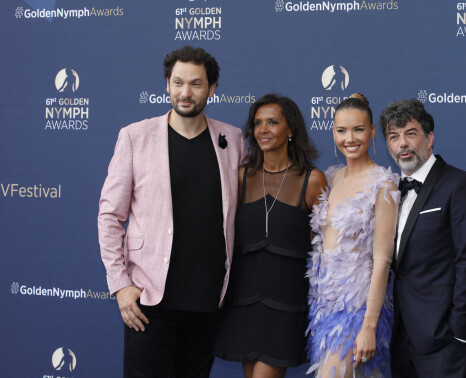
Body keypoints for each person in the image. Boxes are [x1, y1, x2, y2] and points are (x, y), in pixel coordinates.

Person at [97, 46, 247, 377]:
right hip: (150, 301)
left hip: (208, 301)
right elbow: (109, 215)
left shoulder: (233, 140)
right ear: (167, 84)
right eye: (178, 82)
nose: (185, 92)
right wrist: (121, 284)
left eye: (196, 84)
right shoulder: (135, 137)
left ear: (212, 88)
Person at [213, 94, 327, 378]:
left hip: (286, 304)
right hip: (242, 301)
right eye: (258, 123)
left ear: (290, 130)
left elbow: (324, 248)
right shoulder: (239, 177)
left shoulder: (313, 180)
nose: (263, 129)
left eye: (273, 122)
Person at [379, 99, 466, 378]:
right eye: (394, 136)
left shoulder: (461, 185)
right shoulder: (390, 192)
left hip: (445, 339)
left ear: (429, 138)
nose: (402, 143)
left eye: (410, 133)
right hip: (401, 337)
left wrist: (460, 333)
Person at [307, 93, 399, 377]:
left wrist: (369, 326)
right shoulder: (331, 178)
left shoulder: (384, 184)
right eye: (342, 130)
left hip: (359, 308)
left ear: (372, 132)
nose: (350, 138)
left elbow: (383, 260)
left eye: (358, 129)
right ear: (333, 131)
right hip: (324, 308)